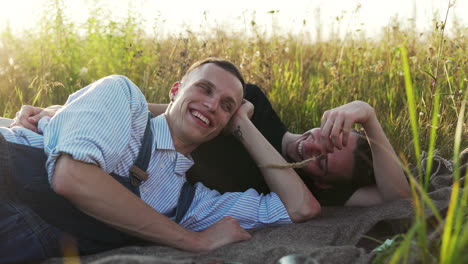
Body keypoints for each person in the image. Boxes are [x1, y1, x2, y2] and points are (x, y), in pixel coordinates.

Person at [0, 58, 320, 263]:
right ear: (175, 91)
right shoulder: (123, 99)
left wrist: (243, 126)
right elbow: (72, 176)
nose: (211, 105)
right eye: (204, 89)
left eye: (226, 105)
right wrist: (194, 241)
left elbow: (301, 208)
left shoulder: (189, 203)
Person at [11, 84, 411, 207]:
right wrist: (68, 108)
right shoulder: (258, 101)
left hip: (143, 180)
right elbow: (173, 112)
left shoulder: (304, 194)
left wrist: (369, 117)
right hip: (105, 142)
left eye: (323, 163)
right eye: (332, 138)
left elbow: (399, 198)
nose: (314, 148)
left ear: (324, 184)